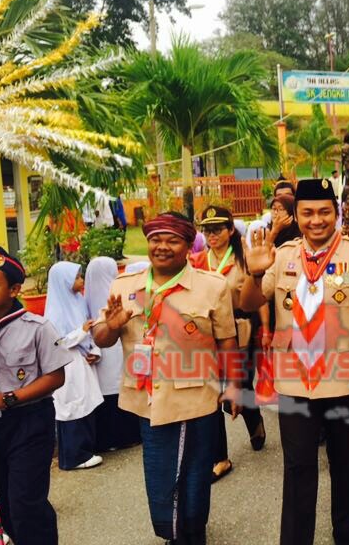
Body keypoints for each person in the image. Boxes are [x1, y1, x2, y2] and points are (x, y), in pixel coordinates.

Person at [239, 178, 349, 545]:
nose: (316, 220)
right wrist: (256, 271)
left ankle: (346, 530)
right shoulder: (282, 255)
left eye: (324, 211)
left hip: (345, 378)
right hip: (295, 379)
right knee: (297, 466)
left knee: (347, 461)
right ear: (296, 215)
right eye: (307, 212)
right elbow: (248, 304)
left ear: (337, 213)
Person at [92, 212, 241, 544]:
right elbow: (102, 337)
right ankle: (175, 531)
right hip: (148, 400)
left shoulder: (211, 286)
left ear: (189, 245)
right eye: (155, 239)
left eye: (172, 240)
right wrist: (112, 326)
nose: (162, 247)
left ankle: (191, 532)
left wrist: (233, 386)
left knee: (194, 477)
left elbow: (227, 340)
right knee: (159, 477)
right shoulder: (124, 286)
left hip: (196, 398)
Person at [0, 247, 70, 545]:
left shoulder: (37, 328)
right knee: (8, 507)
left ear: (14, 289)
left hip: (28, 423)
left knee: (26, 502)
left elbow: (56, 376)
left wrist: (9, 398)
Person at [191, 206, 268, 483]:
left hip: (242, 329)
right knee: (215, 391)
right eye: (207, 230)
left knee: (241, 384)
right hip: (208, 334)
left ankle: (254, 419)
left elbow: (259, 297)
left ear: (230, 230)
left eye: (217, 229)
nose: (212, 235)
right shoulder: (197, 261)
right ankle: (219, 457)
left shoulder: (245, 259)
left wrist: (267, 330)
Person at [46, 261, 104, 470]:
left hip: (81, 362)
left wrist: (94, 351)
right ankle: (73, 457)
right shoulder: (54, 311)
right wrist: (81, 331)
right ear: (64, 281)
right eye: (77, 277)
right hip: (67, 366)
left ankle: (84, 451)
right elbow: (58, 341)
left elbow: (89, 332)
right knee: (72, 408)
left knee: (85, 404)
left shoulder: (77, 301)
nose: (81, 281)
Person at [85, 256, 141, 451]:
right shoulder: (117, 294)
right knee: (118, 391)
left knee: (106, 396)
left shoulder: (86, 298)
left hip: (98, 355)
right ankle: (127, 436)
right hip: (114, 352)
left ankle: (106, 439)